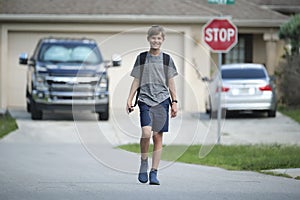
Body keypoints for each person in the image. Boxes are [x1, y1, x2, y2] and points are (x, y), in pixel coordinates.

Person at [126, 25, 178, 185]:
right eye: (153, 38)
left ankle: (154, 172)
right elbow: (136, 79)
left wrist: (174, 101)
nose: (156, 41)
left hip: (162, 101)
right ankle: (143, 162)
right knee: (146, 133)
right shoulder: (142, 58)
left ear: (163, 40)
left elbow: (171, 81)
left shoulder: (166, 59)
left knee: (157, 136)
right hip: (145, 100)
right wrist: (130, 98)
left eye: (159, 38)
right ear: (148, 39)